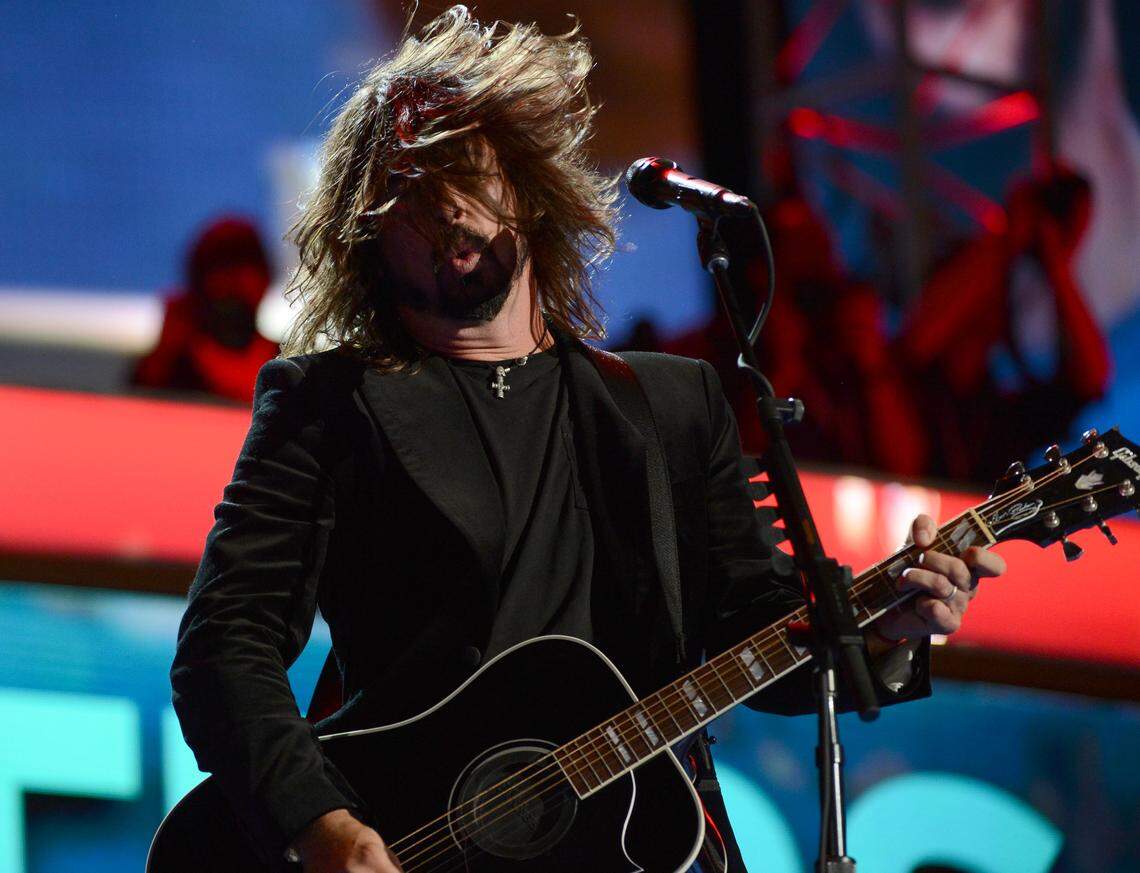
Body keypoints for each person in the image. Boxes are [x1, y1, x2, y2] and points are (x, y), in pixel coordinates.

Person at [169, 8, 1006, 872]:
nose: (443, 205)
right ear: (370, 238)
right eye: (408, 192)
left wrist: (886, 628)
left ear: (528, 189)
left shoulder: (672, 405)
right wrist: (324, 827)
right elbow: (223, 645)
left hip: (640, 844)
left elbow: (759, 638)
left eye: (464, 170)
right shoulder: (328, 404)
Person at [132, 215, 279, 403]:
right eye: (221, 271)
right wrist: (165, 352)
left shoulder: (288, 361)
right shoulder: (173, 366)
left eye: (244, 271)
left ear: (265, 280)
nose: (233, 285)